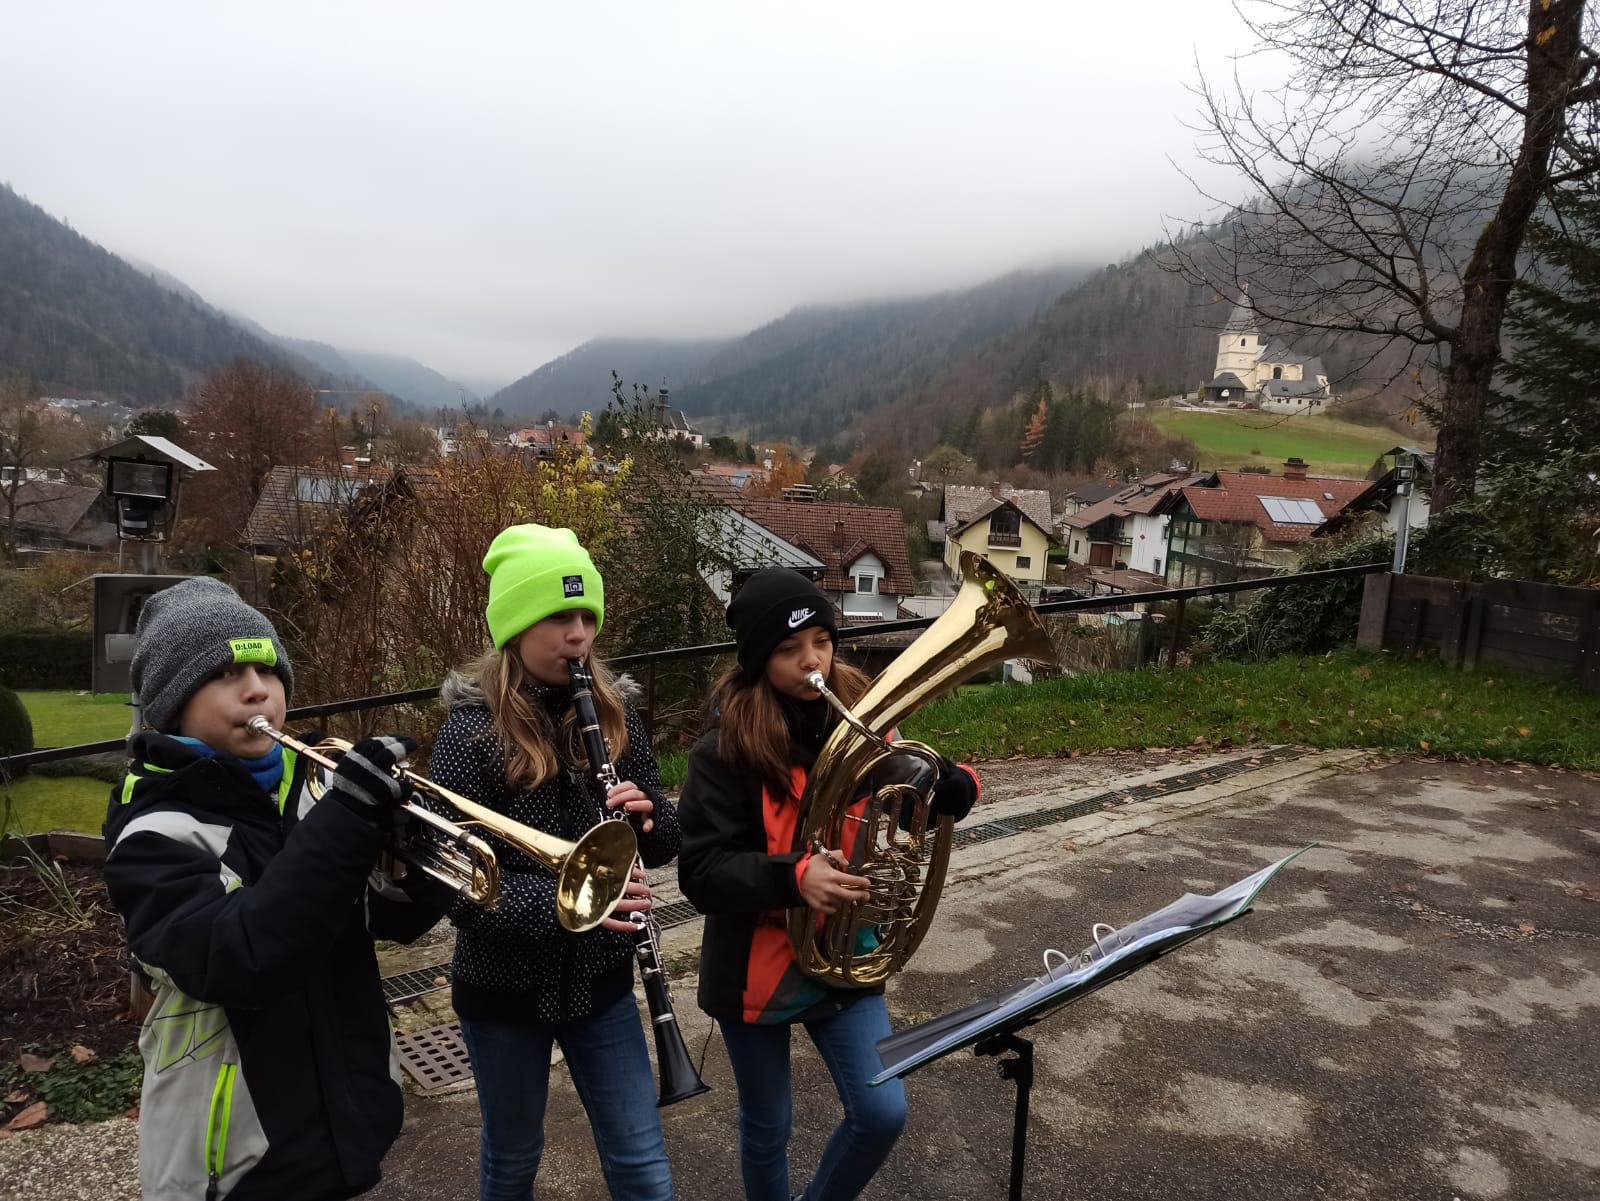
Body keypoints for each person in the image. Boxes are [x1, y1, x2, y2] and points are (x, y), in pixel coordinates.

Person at [102, 576, 449, 1201]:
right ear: (175, 702)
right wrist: (346, 823)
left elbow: (391, 920)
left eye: (267, 670)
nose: (257, 689)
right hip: (236, 1157)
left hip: (348, 1116)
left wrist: (418, 855)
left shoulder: (317, 787)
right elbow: (237, 957)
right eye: (225, 674)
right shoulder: (154, 832)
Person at [676, 567, 981, 1201]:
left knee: (882, 1113)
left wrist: (954, 787)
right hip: (755, 967)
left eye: (821, 640)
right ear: (759, 660)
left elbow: (910, 783)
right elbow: (701, 873)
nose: (811, 660)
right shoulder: (722, 751)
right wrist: (794, 876)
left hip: (845, 954)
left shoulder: (863, 718)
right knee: (769, 1127)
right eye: (789, 649)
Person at [427, 523, 679, 1201]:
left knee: (643, 1166)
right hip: (502, 990)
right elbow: (457, 880)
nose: (578, 635)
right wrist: (572, 906)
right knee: (514, 1159)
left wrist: (650, 816)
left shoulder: (615, 715)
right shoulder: (470, 734)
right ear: (515, 626)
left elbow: (663, 840)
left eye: (586, 617)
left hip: (601, 984)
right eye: (557, 618)